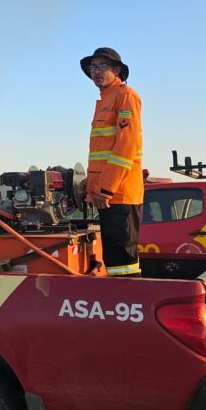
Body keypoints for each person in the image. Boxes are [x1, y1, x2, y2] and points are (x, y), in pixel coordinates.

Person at [80, 47, 143, 277]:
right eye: (92, 67)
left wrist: (105, 189)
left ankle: (129, 305)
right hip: (109, 194)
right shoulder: (106, 99)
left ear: (116, 70)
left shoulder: (125, 96)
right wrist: (90, 183)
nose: (96, 71)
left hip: (119, 194)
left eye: (102, 66)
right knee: (115, 261)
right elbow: (102, 153)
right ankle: (123, 304)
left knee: (122, 264)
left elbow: (125, 147)